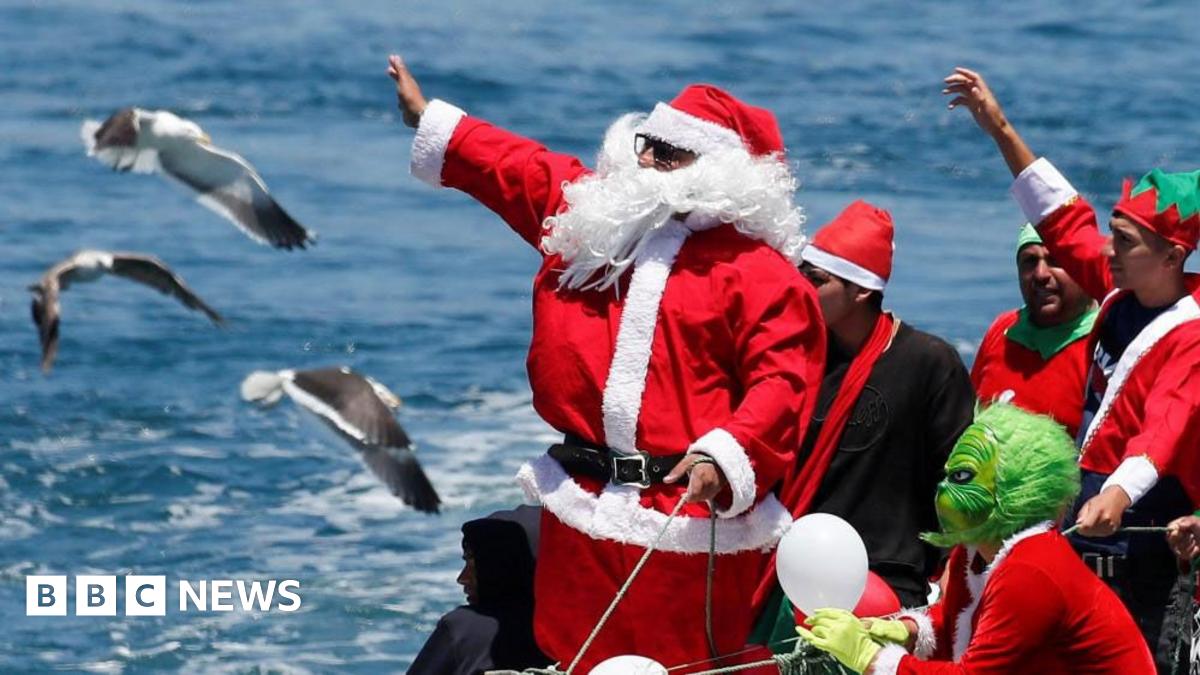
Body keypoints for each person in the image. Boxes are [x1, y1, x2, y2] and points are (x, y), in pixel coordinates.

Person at [387, 55, 825, 672]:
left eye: (669, 153)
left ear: (721, 172)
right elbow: (517, 168)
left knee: (680, 665)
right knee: (571, 654)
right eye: (648, 145)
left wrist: (726, 455)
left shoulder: (760, 276)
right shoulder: (597, 223)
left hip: (685, 524)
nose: (647, 161)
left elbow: (783, 383)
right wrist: (431, 120)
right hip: (582, 509)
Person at [943, 65, 1200, 670]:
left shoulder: (1191, 336)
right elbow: (1061, 216)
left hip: (1152, 520)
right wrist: (998, 126)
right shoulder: (1121, 288)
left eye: (1125, 241)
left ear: (1172, 257)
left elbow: (1162, 430)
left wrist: (1116, 493)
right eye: (1113, 235)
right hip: (1091, 510)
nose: (1107, 250)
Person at [752, 200, 974, 646]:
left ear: (861, 292)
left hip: (888, 578)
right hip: (792, 571)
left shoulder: (929, 363)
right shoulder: (795, 357)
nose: (802, 288)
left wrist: (957, 567)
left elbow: (960, 479)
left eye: (817, 280)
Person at [797, 404, 1155, 674]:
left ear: (1016, 487)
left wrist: (870, 658)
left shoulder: (1031, 571)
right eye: (948, 474)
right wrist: (906, 631)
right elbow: (956, 622)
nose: (944, 488)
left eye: (963, 476)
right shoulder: (974, 553)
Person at [970, 223, 1097, 438]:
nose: (1040, 274)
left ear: (1086, 266)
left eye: (1055, 260)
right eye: (1030, 261)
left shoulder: (1105, 345)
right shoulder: (1004, 328)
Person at [409, 505, 549, 674]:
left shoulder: (464, 630)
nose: (462, 578)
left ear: (507, 566)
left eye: (478, 565)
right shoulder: (572, 635)